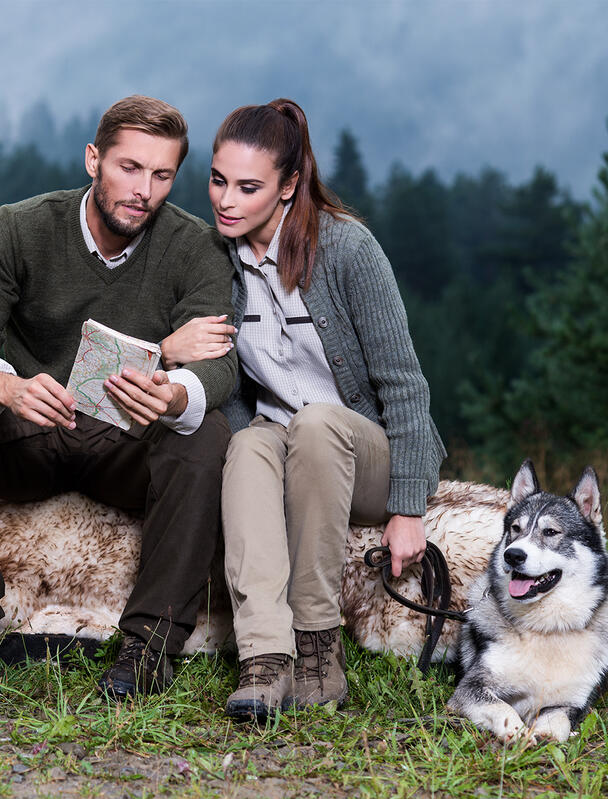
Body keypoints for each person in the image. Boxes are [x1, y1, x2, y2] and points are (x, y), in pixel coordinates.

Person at [0, 95, 238, 699]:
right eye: (129, 168)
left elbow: (219, 363)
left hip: (127, 439)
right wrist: (5, 386)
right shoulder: (19, 227)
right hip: (31, 430)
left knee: (205, 431)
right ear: (92, 160)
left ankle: (150, 646)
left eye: (162, 175)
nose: (144, 191)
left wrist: (174, 393)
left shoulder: (195, 248)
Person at [161, 99, 445, 721]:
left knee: (315, 424)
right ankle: (265, 658)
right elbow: (228, 389)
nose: (225, 200)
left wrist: (408, 507)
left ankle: (318, 642)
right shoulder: (219, 260)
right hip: (281, 447)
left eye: (248, 186)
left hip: (359, 450)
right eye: (217, 180)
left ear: (290, 185)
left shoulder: (348, 250)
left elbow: (405, 386)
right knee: (248, 439)